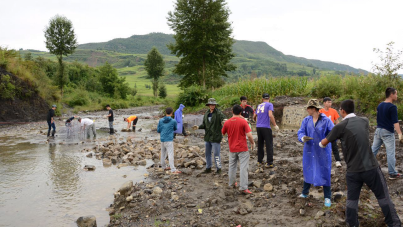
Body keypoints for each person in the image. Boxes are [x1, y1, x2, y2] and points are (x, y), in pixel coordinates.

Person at [320, 100, 401, 227]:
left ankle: (352, 224)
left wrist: (321, 141)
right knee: (383, 197)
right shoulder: (365, 121)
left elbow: (323, 143)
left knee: (352, 201)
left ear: (342, 111)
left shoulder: (340, 127)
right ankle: (394, 224)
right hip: (371, 168)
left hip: (353, 171)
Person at [297, 99, 334, 207]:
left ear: (313, 109)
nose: (307, 110)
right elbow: (301, 131)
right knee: (308, 168)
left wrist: (326, 141)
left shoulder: (326, 121)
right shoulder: (306, 120)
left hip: (323, 151)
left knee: (325, 171)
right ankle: (305, 192)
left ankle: (327, 197)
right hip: (309, 150)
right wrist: (302, 137)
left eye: (308, 108)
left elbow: (333, 133)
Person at [222, 105, 255, 195]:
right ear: (241, 113)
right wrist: (252, 143)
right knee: (244, 167)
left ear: (232, 111)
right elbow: (249, 135)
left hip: (232, 148)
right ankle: (243, 187)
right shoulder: (243, 122)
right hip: (242, 148)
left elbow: (223, 133)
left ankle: (232, 183)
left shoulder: (227, 122)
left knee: (232, 166)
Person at [372, 87, 403, 180]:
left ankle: (364, 168)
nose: (397, 96)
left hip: (378, 130)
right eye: (396, 94)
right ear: (391, 95)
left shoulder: (380, 105)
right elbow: (395, 122)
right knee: (390, 153)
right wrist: (400, 133)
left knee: (373, 151)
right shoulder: (392, 107)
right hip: (387, 132)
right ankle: (392, 173)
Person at [193, 98, 226, 174]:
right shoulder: (206, 113)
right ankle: (208, 168)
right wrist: (198, 127)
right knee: (207, 153)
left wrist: (225, 121)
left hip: (216, 137)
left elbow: (224, 119)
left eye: (214, 104)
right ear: (208, 105)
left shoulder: (218, 113)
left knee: (216, 154)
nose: (212, 106)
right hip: (207, 137)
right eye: (211, 104)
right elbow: (204, 125)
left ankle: (219, 169)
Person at [253, 93, 279, 168]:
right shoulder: (269, 104)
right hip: (266, 127)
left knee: (260, 144)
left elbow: (254, 116)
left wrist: (256, 121)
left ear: (262, 99)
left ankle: (259, 161)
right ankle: (269, 162)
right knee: (269, 144)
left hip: (258, 127)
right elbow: (270, 115)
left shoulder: (259, 105)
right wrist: (275, 125)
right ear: (269, 98)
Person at [320, 97, 343, 168]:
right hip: (323, 132)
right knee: (322, 146)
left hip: (331, 131)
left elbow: (337, 121)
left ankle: (338, 161)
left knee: (334, 146)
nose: (330, 104)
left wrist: (338, 130)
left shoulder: (333, 111)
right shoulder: (320, 111)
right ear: (324, 103)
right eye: (328, 102)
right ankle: (322, 161)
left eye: (330, 102)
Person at [157, 107, 181, 174]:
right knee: (170, 154)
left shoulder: (160, 120)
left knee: (163, 154)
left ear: (165, 112)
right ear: (171, 113)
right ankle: (173, 169)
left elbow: (158, 130)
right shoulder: (173, 121)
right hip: (169, 140)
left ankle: (164, 167)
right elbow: (175, 128)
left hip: (162, 139)